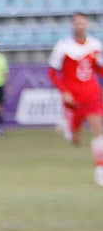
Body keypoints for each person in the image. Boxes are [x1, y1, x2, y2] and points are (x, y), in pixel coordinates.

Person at [47, 12, 103, 186]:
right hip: (72, 99)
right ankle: (69, 130)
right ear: (73, 26)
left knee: (98, 131)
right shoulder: (63, 47)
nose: (80, 26)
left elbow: (99, 69)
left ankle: (100, 169)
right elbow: (52, 72)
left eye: (83, 23)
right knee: (76, 141)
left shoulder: (95, 45)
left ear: (87, 25)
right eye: (77, 23)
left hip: (92, 94)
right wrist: (64, 91)